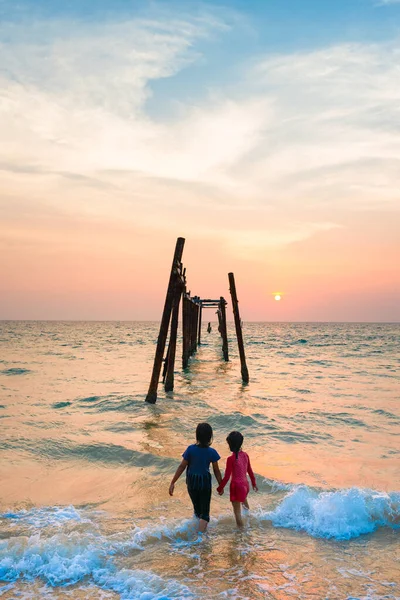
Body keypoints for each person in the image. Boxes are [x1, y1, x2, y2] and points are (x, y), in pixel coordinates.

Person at [169, 422, 222, 532]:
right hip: (204, 483)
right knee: (205, 514)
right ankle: (200, 538)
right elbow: (216, 470)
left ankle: (197, 531)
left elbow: (182, 466)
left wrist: (173, 482)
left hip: (192, 482)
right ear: (210, 437)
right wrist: (221, 485)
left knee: (197, 510)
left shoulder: (190, 449)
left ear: (197, 435)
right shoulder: (211, 452)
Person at [217, 431, 258, 527]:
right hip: (245, 485)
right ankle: (249, 522)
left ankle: (241, 534)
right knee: (245, 505)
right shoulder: (245, 455)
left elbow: (227, 477)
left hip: (236, 487)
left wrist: (220, 488)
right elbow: (250, 471)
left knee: (237, 514)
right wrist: (253, 483)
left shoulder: (230, 459)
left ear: (230, 445)